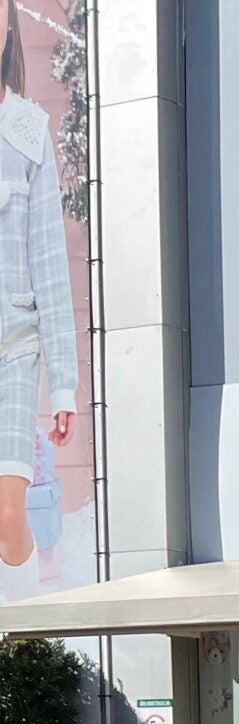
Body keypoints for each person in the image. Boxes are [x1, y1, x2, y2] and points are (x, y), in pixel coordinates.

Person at [0, 0, 77, 600]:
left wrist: (65, 387)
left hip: (14, 352)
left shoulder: (28, 129)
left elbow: (50, 260)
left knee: (9, 522)